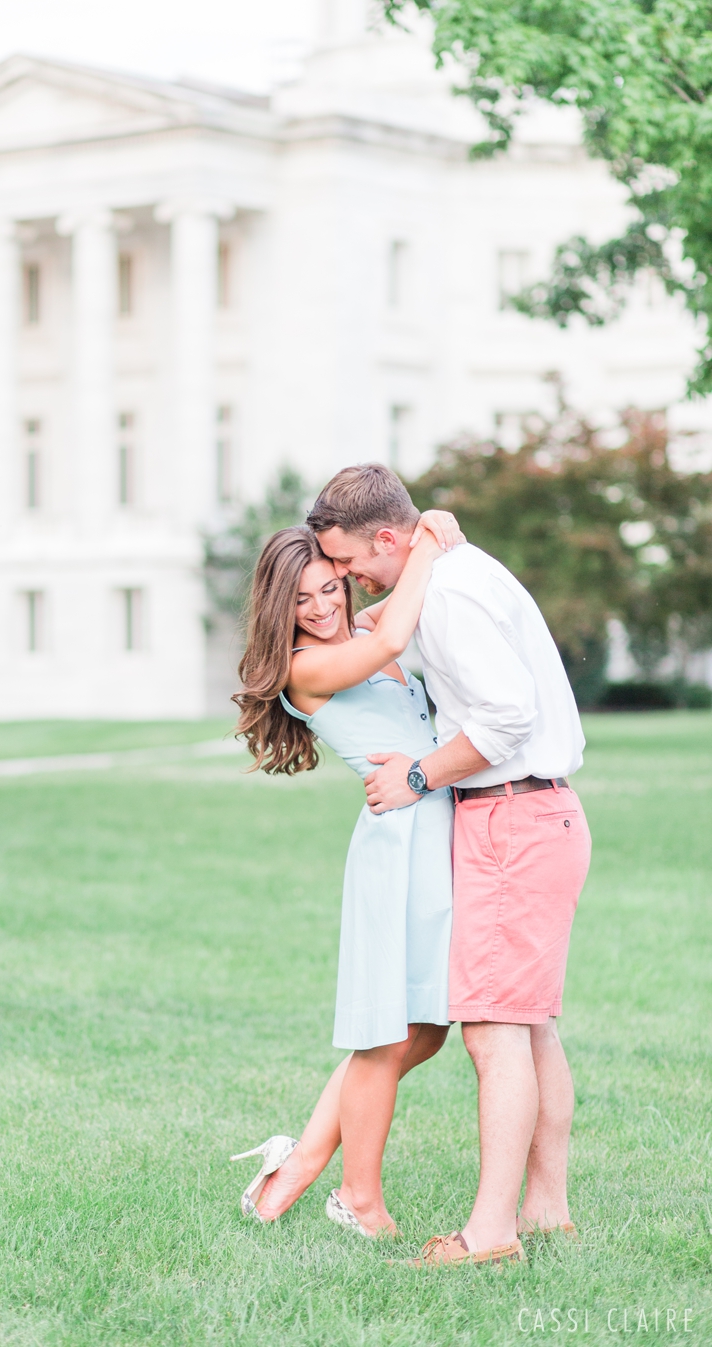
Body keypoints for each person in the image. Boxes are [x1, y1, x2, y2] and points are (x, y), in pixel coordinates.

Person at [307, 463, 591, 1267]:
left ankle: (491, 1234)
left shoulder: (451, 593)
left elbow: (505, 717)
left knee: (494, 1034)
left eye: (353, 563)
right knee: (530, 1026)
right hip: (537, 812)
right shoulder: (448, 571)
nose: (349, 583)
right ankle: (546, 1208)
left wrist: (420, 774)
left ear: (389, 539)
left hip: (511, 814)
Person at [230, 510, 462, 1238]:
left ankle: (297, 1162)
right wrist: (427, 539)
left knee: (425, 1032)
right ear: (280, 609)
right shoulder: (307, 667)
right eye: (303, 599)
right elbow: (398, 631)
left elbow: (394, 610)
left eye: (332, 587)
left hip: (432, 825)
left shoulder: (359, 633)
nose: (325, 607)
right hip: (397, 846)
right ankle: (357, 1198)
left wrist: (433, 535)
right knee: (387, 1034)